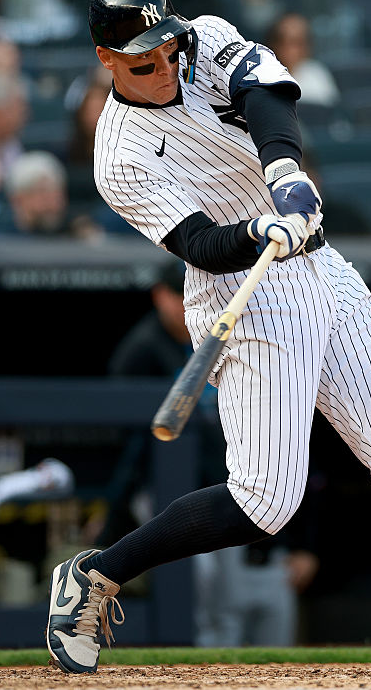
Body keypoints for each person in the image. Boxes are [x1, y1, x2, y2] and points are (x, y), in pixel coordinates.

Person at [45, 0, 371, 676]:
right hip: (239, 288)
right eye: (145, 57)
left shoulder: (201, 39)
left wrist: (285, 173)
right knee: (264, 502)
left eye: (169, 45)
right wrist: (255, 227)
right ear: (107, 59)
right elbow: (199, 246)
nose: (168, 61)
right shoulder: (117, 156)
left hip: (319, 266)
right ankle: (97, 574)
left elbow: (267, 94)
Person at [106, 260, 319, 645]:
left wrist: (303, 541)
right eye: (177, 296)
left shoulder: (231, 332)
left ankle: (219, 672)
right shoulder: (142, 350)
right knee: (195, 578)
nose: (186, 305)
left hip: (226, 485)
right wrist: (114, 517)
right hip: (161, 488)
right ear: (161, 296)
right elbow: (129, 447)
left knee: (227, 597)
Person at [0, 151, 101, 239]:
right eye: (43, 193)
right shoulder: (1, 234)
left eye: (57, 193)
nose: (53, 202)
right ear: (17, 199)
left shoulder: (74, 225)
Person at [265, 12, 340, 107]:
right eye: (293, 42)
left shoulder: (316, 74)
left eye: (303, 42)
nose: (301, 49)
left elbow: (332, 117)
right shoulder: (259, 78)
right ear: (274, 45)